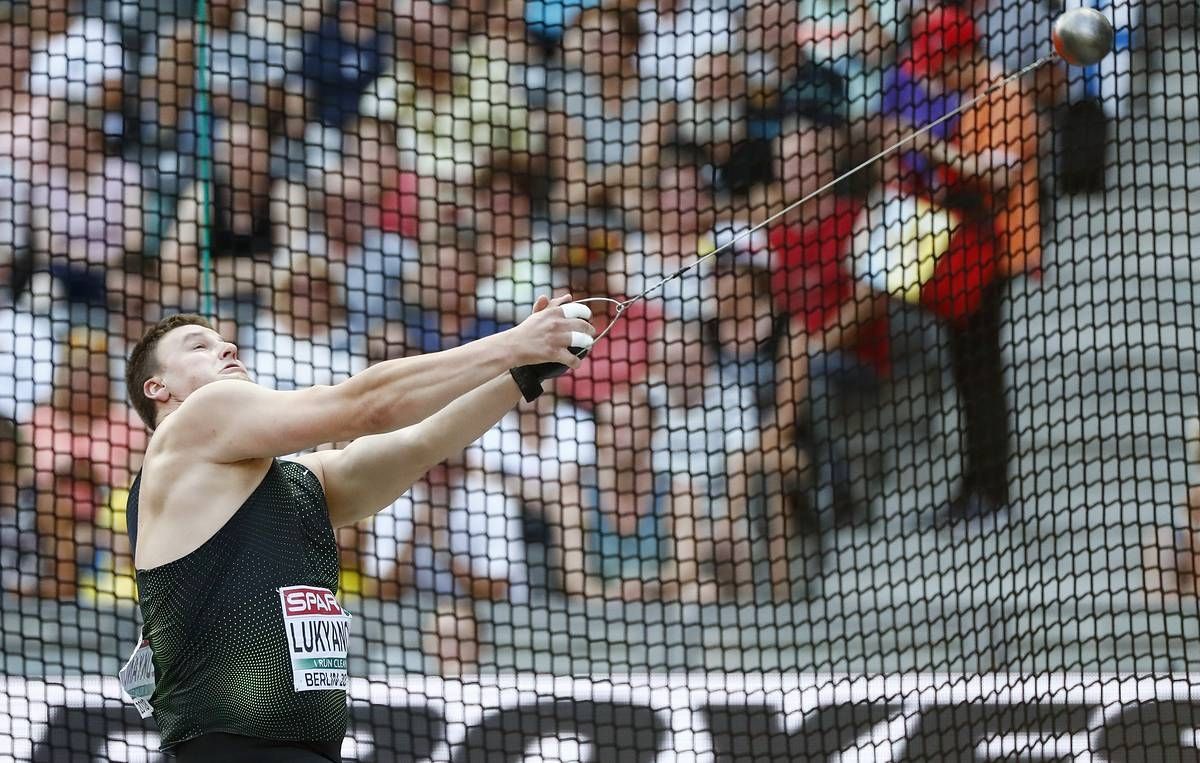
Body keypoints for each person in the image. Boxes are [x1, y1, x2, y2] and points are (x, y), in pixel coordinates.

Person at [119, 299, 595, 761]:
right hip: (233, 745)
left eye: (223, 340)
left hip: (298, 748)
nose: (227, 347)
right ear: (157, 388)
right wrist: (513, 343)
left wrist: (522, 375)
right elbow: (368, 405)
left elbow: (421, 443)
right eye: (199, 346)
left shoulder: (294, 482)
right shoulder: (193, 421)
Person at [873, 5, 1041, 525]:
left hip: (994, 252)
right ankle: (975, 486)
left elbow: (999, 176)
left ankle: (992, 491)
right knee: (967, 372)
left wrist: (927, 147)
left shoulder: (1001, 94)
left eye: (941, 62)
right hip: (964, 252)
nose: (934, 73)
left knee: (981, 373)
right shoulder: (966, 96)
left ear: (964, 54)